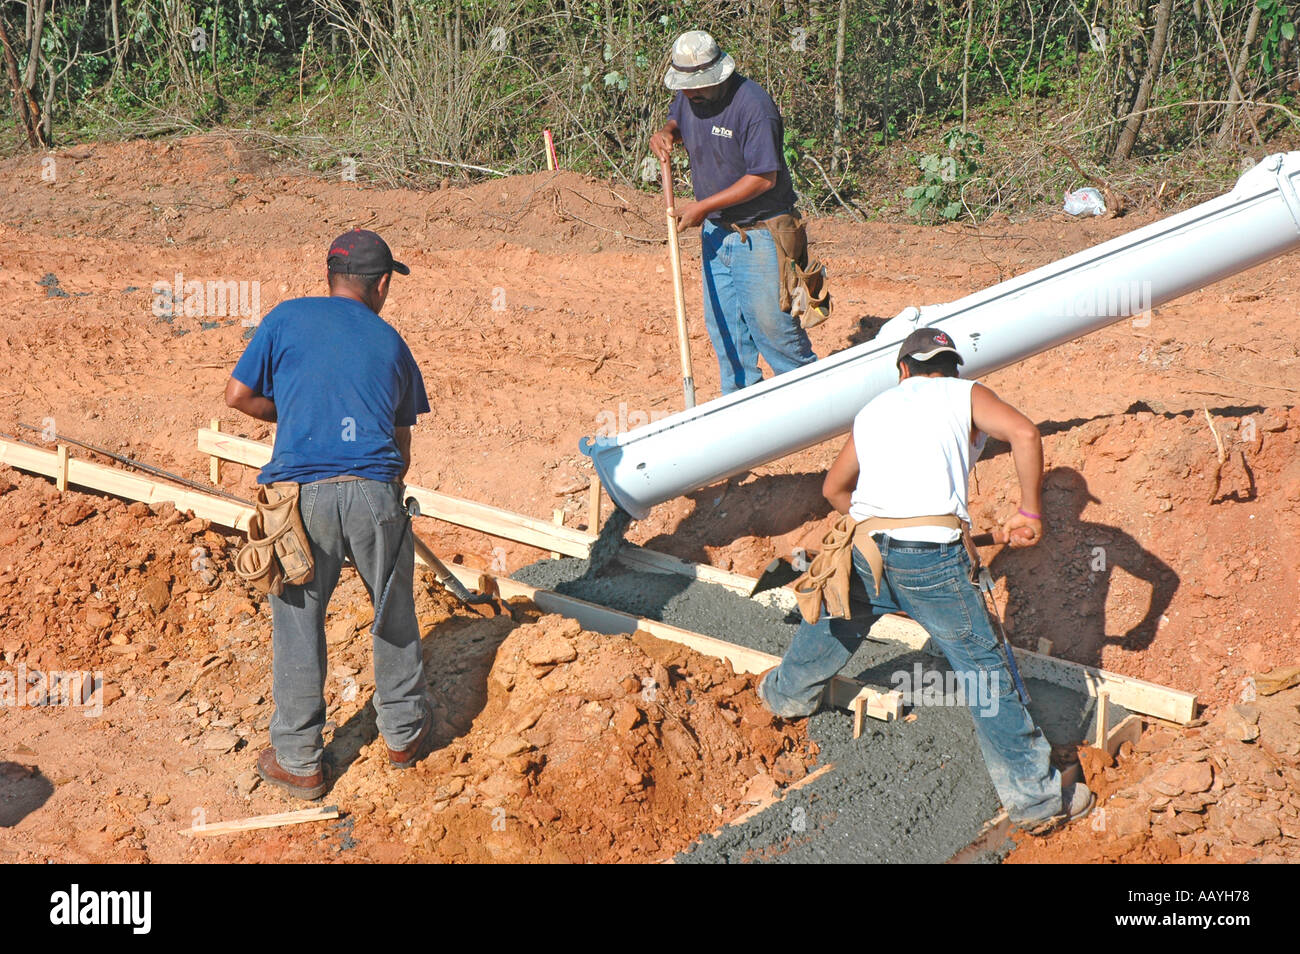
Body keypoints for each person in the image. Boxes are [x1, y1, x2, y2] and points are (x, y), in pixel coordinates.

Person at [757, 328, 1094, 832]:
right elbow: (1024, 433)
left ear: (902, 370)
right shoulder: (966, 393)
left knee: (837, 619)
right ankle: (1039, 802)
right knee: (983, 670)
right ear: (951, 368)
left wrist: (883, 523)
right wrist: (1030, 511)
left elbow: (833, 488)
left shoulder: (874, 409)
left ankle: (785, 696)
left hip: (866, 546)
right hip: (931, 560)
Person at [225, 228, 433, 800]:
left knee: (298, 620)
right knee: (392, 612)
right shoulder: (391, 343)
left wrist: (295, 421)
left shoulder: (285, 318)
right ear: (383, 284)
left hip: (299, 496)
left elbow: (238, 395)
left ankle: (299, 760)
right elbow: (401, 449)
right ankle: (404, 736)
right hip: (374, 491)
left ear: (328, 276)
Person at [649, 30, 820, 395]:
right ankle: (741, 417)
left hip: (760, 234)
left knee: (776, 334)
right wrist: (666, 133)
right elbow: (677, 118)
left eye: (697, 86)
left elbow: (763, 178)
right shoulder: (688, 96)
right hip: (715, 235)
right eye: (686, 86)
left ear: (719, 75)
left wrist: (702, 207)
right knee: (727, 335)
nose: (690, 93)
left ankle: (815, 411)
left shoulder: (754, 107)